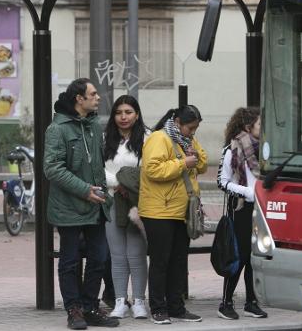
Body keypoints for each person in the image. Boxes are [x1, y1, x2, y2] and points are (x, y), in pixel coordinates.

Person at [44, 78, 119, 330]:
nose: (98, 98)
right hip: (69, 208)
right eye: (93, 94)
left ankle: (89, 307)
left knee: (99, 258)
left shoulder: (94, 125)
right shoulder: (57, 128)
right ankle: (73, 310)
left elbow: (97, 165)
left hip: (96, 205)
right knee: (70, 261)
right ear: (79, 98)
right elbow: (53, 169)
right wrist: (84, 190)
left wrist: (103, 193)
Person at [138, 105, 208, 325]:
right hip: (159, 211)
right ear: (177, 122)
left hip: (181, 210)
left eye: (195, 129)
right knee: (161, 261)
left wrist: (195, 157)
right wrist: (182, 163)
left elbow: (203, 163)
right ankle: (158, 308)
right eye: (190, 128)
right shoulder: (159, 138)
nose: (193, 133)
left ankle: (176, 307)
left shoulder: (187, 141)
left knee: (178, 261)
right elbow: (153, 169)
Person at [216, 107, 268, 320]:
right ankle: (225, 303)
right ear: (248, 127)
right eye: (259, 124)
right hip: (242, 209)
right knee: (240, 256)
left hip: (263, 208)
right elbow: (222, 181)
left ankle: (251, 302)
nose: (264, 128)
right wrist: (249, 192)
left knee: (256, 257)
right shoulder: (233, 149)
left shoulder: (266, 149)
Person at [103, 95, 149, 319]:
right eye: (119, 113)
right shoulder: (104, 138)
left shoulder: (148, 138)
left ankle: (140, 301)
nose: (123, 117)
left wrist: (130, 186)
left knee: (137, 253)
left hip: (138, 203)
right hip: (112, 199)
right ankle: (120, 301)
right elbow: (97, 169)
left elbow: (150, 169)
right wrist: (118, 183)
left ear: (137, 114)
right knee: (117, 254)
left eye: (128, 112)